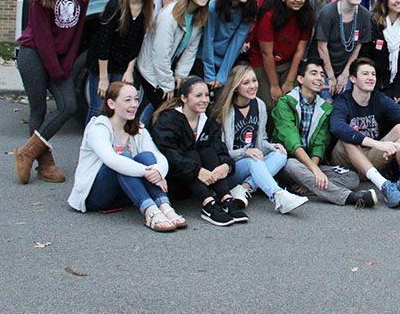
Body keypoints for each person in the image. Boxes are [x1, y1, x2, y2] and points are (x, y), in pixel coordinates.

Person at [15, 0, 91, 185]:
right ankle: (45, 164)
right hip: (34, 54)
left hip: (60, 59)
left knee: (68, 105)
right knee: (38, 108)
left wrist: (67, 64)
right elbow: (42, 35)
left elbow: (77, 32)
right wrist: (55, 69)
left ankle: (26, 151)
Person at [68, 81, 185, 232]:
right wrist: (146, 172)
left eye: (136, 99)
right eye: (127, 100)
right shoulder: (98, 127)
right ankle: (150, 212)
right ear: (111, 103)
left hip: (126, 192)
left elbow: (157, 156)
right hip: (96, 196)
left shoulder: (138, 128)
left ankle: (165, 206)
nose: (135, 104)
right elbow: (112, 159)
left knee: (147, 156)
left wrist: (158, 171)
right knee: (122, 158)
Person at [273, 60, 374, 207]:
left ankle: (306, 186)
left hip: (310, 165)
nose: (319, 78)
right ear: (300, 79)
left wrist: (313, 171)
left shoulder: (325, 108)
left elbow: (320, 144)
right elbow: (292, 143)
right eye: (313, 73)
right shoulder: (285, 103)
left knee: (352, 178)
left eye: (321, 74)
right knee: (292, 164)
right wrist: (315, 171)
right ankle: (349, 197)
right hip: (286, 163)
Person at [150, 77, 247, 226]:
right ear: (183, 98)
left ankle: (226, 199)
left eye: (207, 95)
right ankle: (208, 205)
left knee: (207, 151)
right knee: (192, 154)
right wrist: (197, 171)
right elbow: (170, 155)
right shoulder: (168, 120)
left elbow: (220, 149)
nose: (204, 100)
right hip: (173, 182)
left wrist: (226, 166)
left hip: (203, 181)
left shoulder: (208, 121)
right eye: (198, 96)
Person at [329, 58, 400, 208]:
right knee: (347, 137)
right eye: (365, 74)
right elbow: (337, 127)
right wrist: (379, 144)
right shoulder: (343, 101)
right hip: (346, 162)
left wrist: (399, 143)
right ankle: (385, 186)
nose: (371, 77)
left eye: (373, 74)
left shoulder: (379, 99)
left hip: (372, 157)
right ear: (353, 78)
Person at [213, 66, 308, 214]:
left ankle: (244, 188)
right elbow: (221, 152)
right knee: (253, 160)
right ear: (236, 87)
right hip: (231, 168)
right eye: (246, 83)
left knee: (280, 154)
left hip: (254, 160)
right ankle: (278, 196)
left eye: (254, 81)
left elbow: (261, 140)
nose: (252, 86)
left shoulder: (259, 105)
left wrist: (272, 146)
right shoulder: (225, 111)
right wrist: (245, 151)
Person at [134, 0, 211, 123]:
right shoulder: (170, 15)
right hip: (149, 69)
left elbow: (190, 51)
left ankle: (142, 131)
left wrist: (180, 76)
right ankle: (141, 135)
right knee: (164, 108)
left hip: (165, 68)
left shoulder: (197, 16)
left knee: (162, 107)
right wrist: (167, 85)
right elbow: (160, 54)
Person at [86, 0, 155, 122]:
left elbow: (137, 42)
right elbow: (104, 40)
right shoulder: (116, 4)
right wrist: (103, 78)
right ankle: (89, 143)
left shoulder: (148, 5)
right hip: (103, 61)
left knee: (117, 108)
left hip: (122, 62)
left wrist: (129, 70)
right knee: (98, 107)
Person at [251, 0, 313, 108]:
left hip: (288, 63)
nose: (298, 0)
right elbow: (266, 53)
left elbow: (300, 50)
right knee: (269, 104)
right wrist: (274, 86)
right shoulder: (269, 16)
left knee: (292, 102)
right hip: (262, 62)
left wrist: (290, 81)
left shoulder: (307, 15)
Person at [314, 0, 373, 97]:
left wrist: (346, 73)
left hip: (347, 68)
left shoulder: (365, 14)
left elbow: (358, 46)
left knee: (345, 102)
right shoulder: (328, 12)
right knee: (327, 101)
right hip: (325, 67)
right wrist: (330, 77)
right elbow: (321, 47)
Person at [202, 0, 257, 96]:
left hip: (227, 60)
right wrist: (209, 75)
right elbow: (207, 41)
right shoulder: (213, 7)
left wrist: (222, 76)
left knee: (223, 96)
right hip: (206, 59)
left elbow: (236, 45)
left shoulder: (249, 9)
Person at [365, 0, 400, 105]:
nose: (399, 1)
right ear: (385, 1)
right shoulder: (373, 23)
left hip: (394, 85)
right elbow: (366, 56)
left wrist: (399, 90)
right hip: (373, 84)